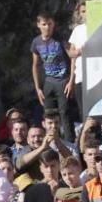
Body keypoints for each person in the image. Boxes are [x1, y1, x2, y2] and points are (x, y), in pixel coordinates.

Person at [30, 12, 74, 141]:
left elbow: (72, 57)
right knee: (48, 114)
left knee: (64, 113)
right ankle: (49, 141)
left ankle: (68, 143)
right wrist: (38, 88)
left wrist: (71, 81)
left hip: (63, 80)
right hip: (48, 82)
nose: (47, 27)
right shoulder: (36, 42)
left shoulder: (60, 39)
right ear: (39, 25)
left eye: (50, 24)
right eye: (44, 24)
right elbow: (35, 65)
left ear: (53, 24)